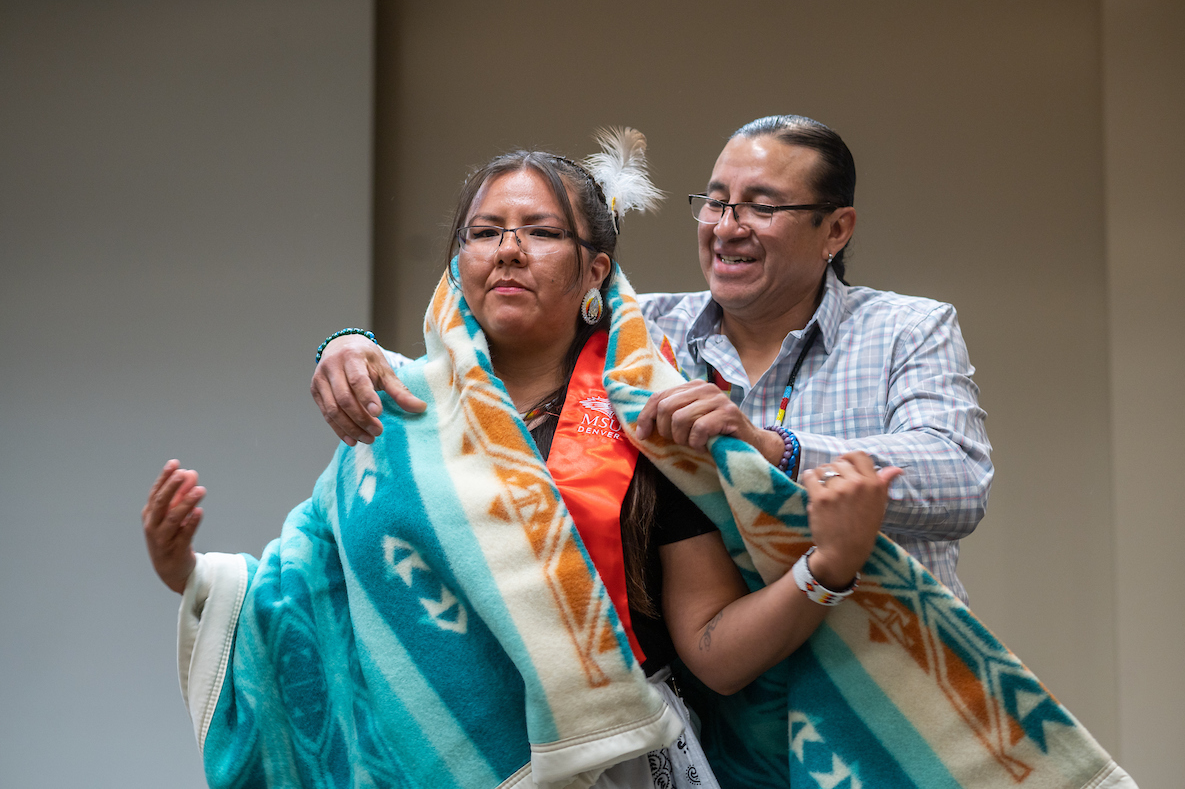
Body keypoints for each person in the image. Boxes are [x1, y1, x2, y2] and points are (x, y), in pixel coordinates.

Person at [144, 131, 900, 789]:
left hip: (615, 762)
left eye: (539, 231)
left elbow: (712, 652)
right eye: (484, 232)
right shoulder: (401, 406)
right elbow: (307, 595)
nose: (507, 249)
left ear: (596, 270)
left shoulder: (654, 419)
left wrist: (828, 566)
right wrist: (192, 574)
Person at [311, 115, 991, 604]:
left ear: (835, 229)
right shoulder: (643, 328)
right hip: (725, 709)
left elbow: (959, 482)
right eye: (715, 203)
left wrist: (774, 448)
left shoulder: (909, 328)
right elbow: (494, 359)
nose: (727, 227)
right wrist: (349, 344)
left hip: (885, 679)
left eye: (762, 206)